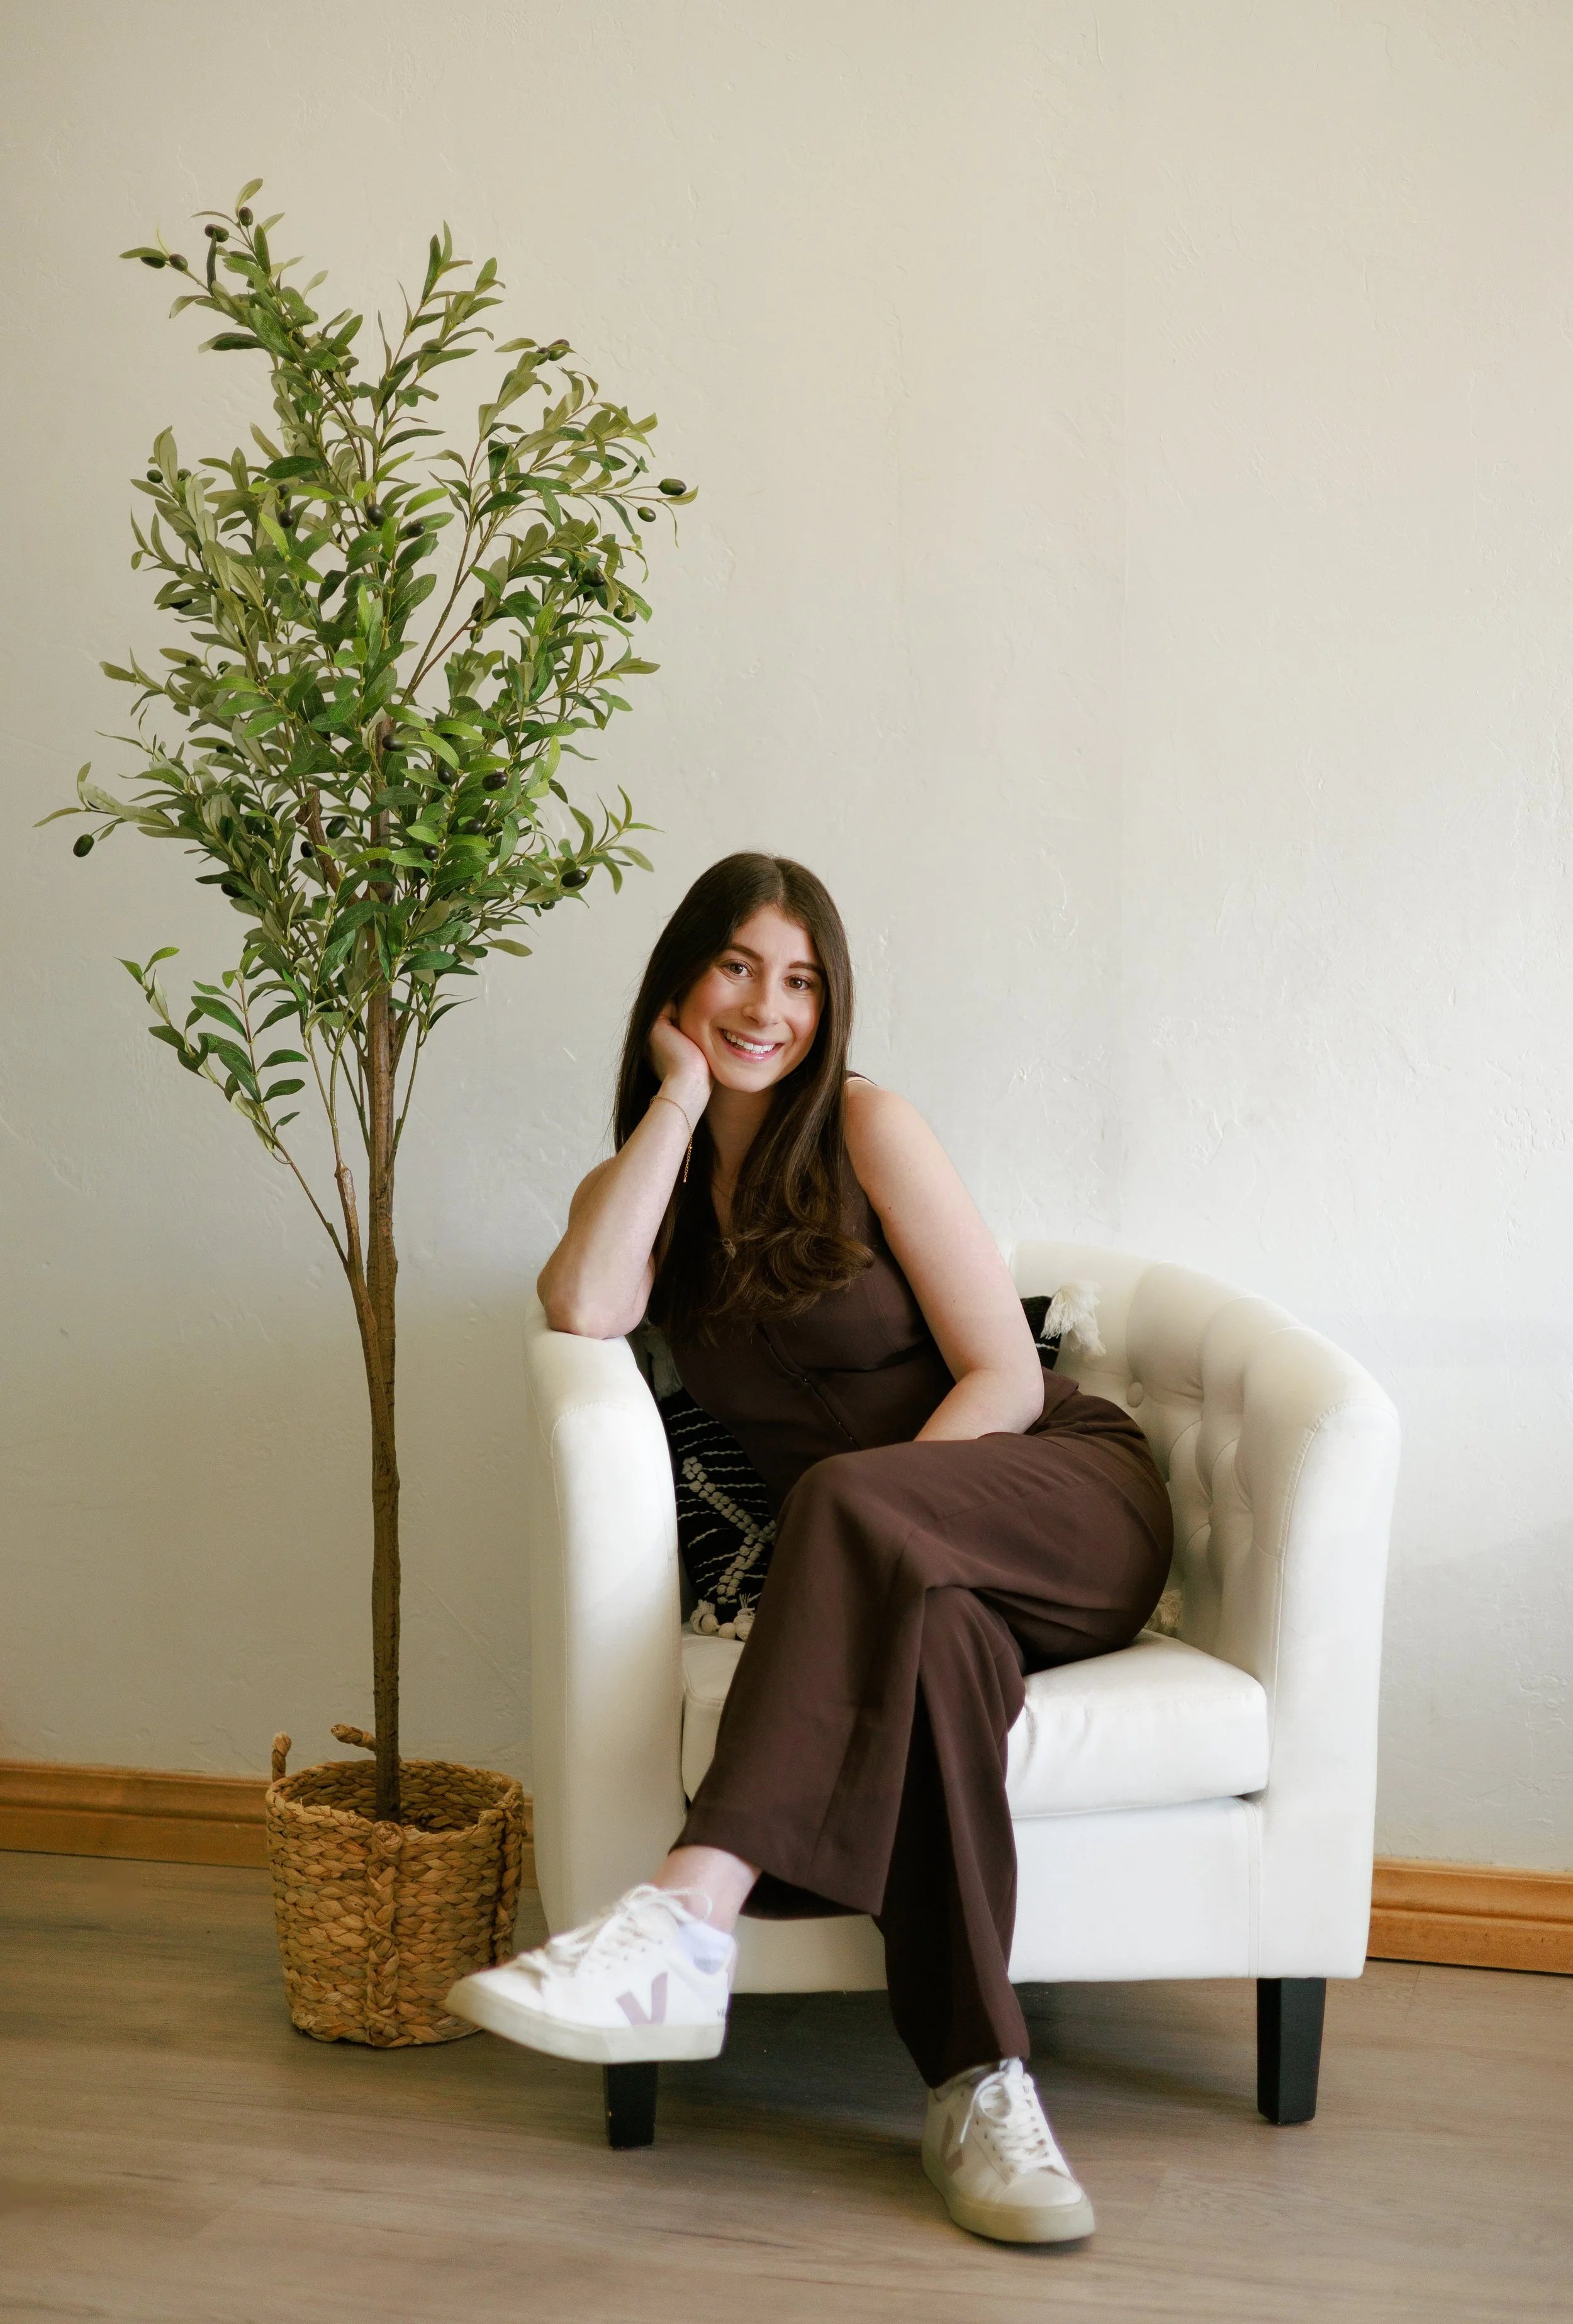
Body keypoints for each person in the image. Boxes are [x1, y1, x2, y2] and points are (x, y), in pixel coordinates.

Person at [449, 853, 1172, 2245]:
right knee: (938, 1657)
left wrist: (877, 1519)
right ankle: (979, 2083)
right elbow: (584, 1303)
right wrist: (674, 1102)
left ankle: (685, 1913)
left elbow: (1004, 1380)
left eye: (799, 979)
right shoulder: (654, 1184)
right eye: (735, 967)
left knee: (842, 1497)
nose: (766, 1006)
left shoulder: (866, 1127)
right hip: (930, 1581)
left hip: (1060, 1498)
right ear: (678, 984)